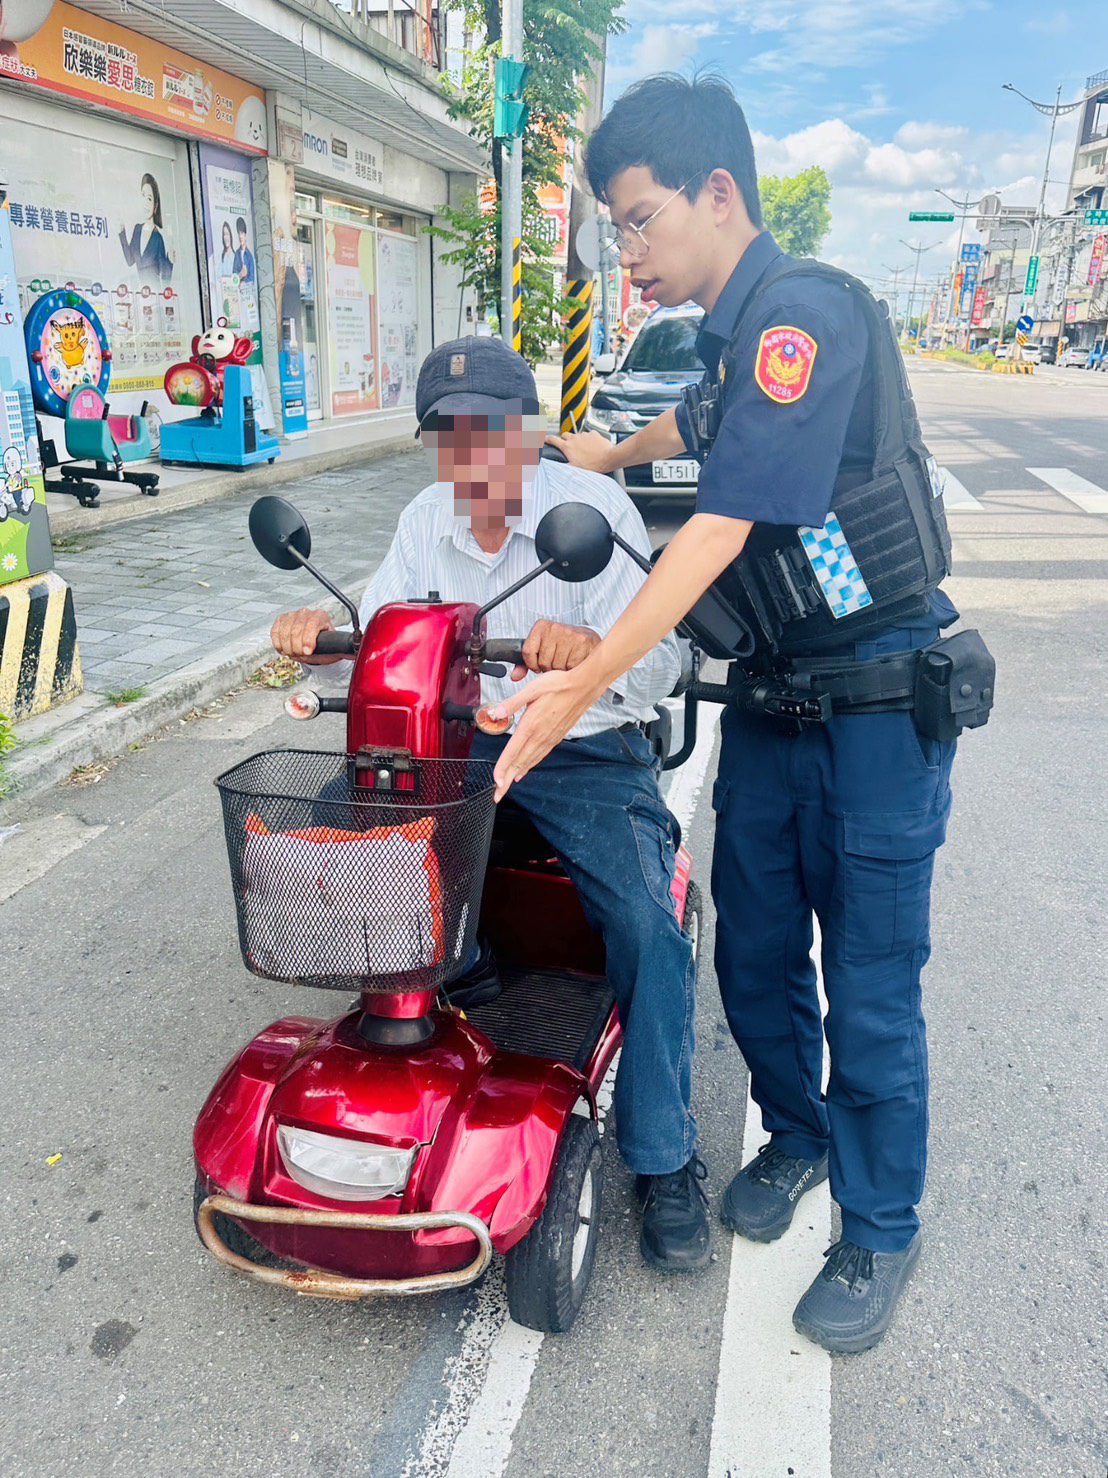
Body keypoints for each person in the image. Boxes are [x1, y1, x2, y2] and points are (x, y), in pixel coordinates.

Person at [486, 75, 988, 1354]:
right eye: (616, 228)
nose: (628, 253)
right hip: (772, 698)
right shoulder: (727, 346)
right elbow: (687, 421)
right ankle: (798, 1135)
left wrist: (587, 676)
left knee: (867, 981)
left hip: (877, 702)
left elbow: (718, 525)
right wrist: (594, 454)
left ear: (718, 192)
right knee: (753, 952)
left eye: (638, 220)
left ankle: (879, 1223)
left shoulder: (804, 316)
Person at [269, 336, 711, 1272]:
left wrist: (593, 656)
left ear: (526, 430)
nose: (472, 456)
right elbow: (385, 642)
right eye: (451, 436)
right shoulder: (425, 518)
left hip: (581, 745)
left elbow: (667, 662)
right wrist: (323, 644)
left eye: (490, 431)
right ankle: (460, 970)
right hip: (458, 739)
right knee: (333, 833)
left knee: (646, 924)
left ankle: (665, 1160)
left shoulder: (591, 510)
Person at [119, 173, 173, 284]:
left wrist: (170, 260)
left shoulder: (158, 238)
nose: (145, 202)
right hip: (140, 291)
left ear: (155, 206)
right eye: (143, 196)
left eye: (149, 198)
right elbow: (130, 260)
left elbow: (165, 275)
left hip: (154, 290)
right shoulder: (137, 229)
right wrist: (122, 233)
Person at [234, 217, 255, 285]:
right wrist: (240, 274)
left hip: (247, 290)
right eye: (239, 233)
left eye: (242, 233)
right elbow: (233, 276)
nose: (240, 236)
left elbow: (252, 279)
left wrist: (244, 283)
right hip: (237, 289)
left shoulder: (249, 256)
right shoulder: (237, 254)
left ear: (245, 235)